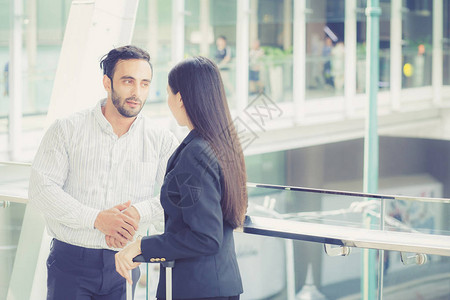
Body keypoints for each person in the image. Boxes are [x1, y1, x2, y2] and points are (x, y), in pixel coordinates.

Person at [28, 45, 179, 300]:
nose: (136, 92)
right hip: (70, 264)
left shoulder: (161, 139)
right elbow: (42, 190)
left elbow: (176, 196)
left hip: (126, 264)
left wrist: (137, 212)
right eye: (128, 81)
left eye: (144, 83)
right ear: (107, 83)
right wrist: (96, 219)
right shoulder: (67, 129)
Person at [115, 56, 248, 300]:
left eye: (168, 93)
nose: (168, 101)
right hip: (218, 284)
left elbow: (205, 237)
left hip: (195, 289)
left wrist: (142, 245)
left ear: (180, 97)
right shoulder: (222, 144)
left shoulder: (196, 153)